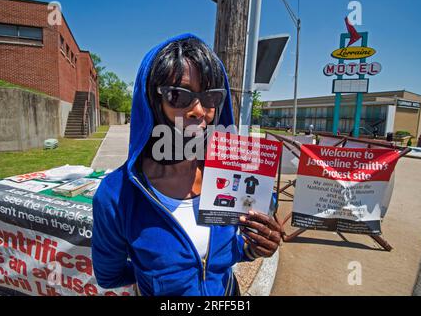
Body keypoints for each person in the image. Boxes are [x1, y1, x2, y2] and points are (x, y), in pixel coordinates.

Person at [92, 34, 282, 296]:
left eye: (210, 97)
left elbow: (227, 255)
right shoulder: (116, 196)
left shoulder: (231, 174)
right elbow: (109, 274)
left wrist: (254, 247)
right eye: (179, 96)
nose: (199, 110)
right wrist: (155, 280)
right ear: (151, 101)